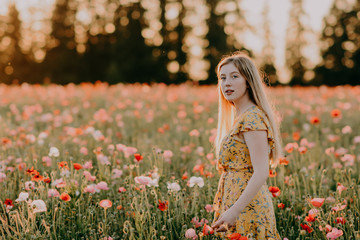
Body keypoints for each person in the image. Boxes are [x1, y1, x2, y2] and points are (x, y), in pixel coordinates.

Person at [210, 51, 283, 239]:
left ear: (248, 81)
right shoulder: (241, 117)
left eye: (235, 77)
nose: (227, 83)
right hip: (236, 203)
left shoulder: (252, 119)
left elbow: (261, 171)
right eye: (222, 78)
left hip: (248, 209)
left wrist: (235, 211)